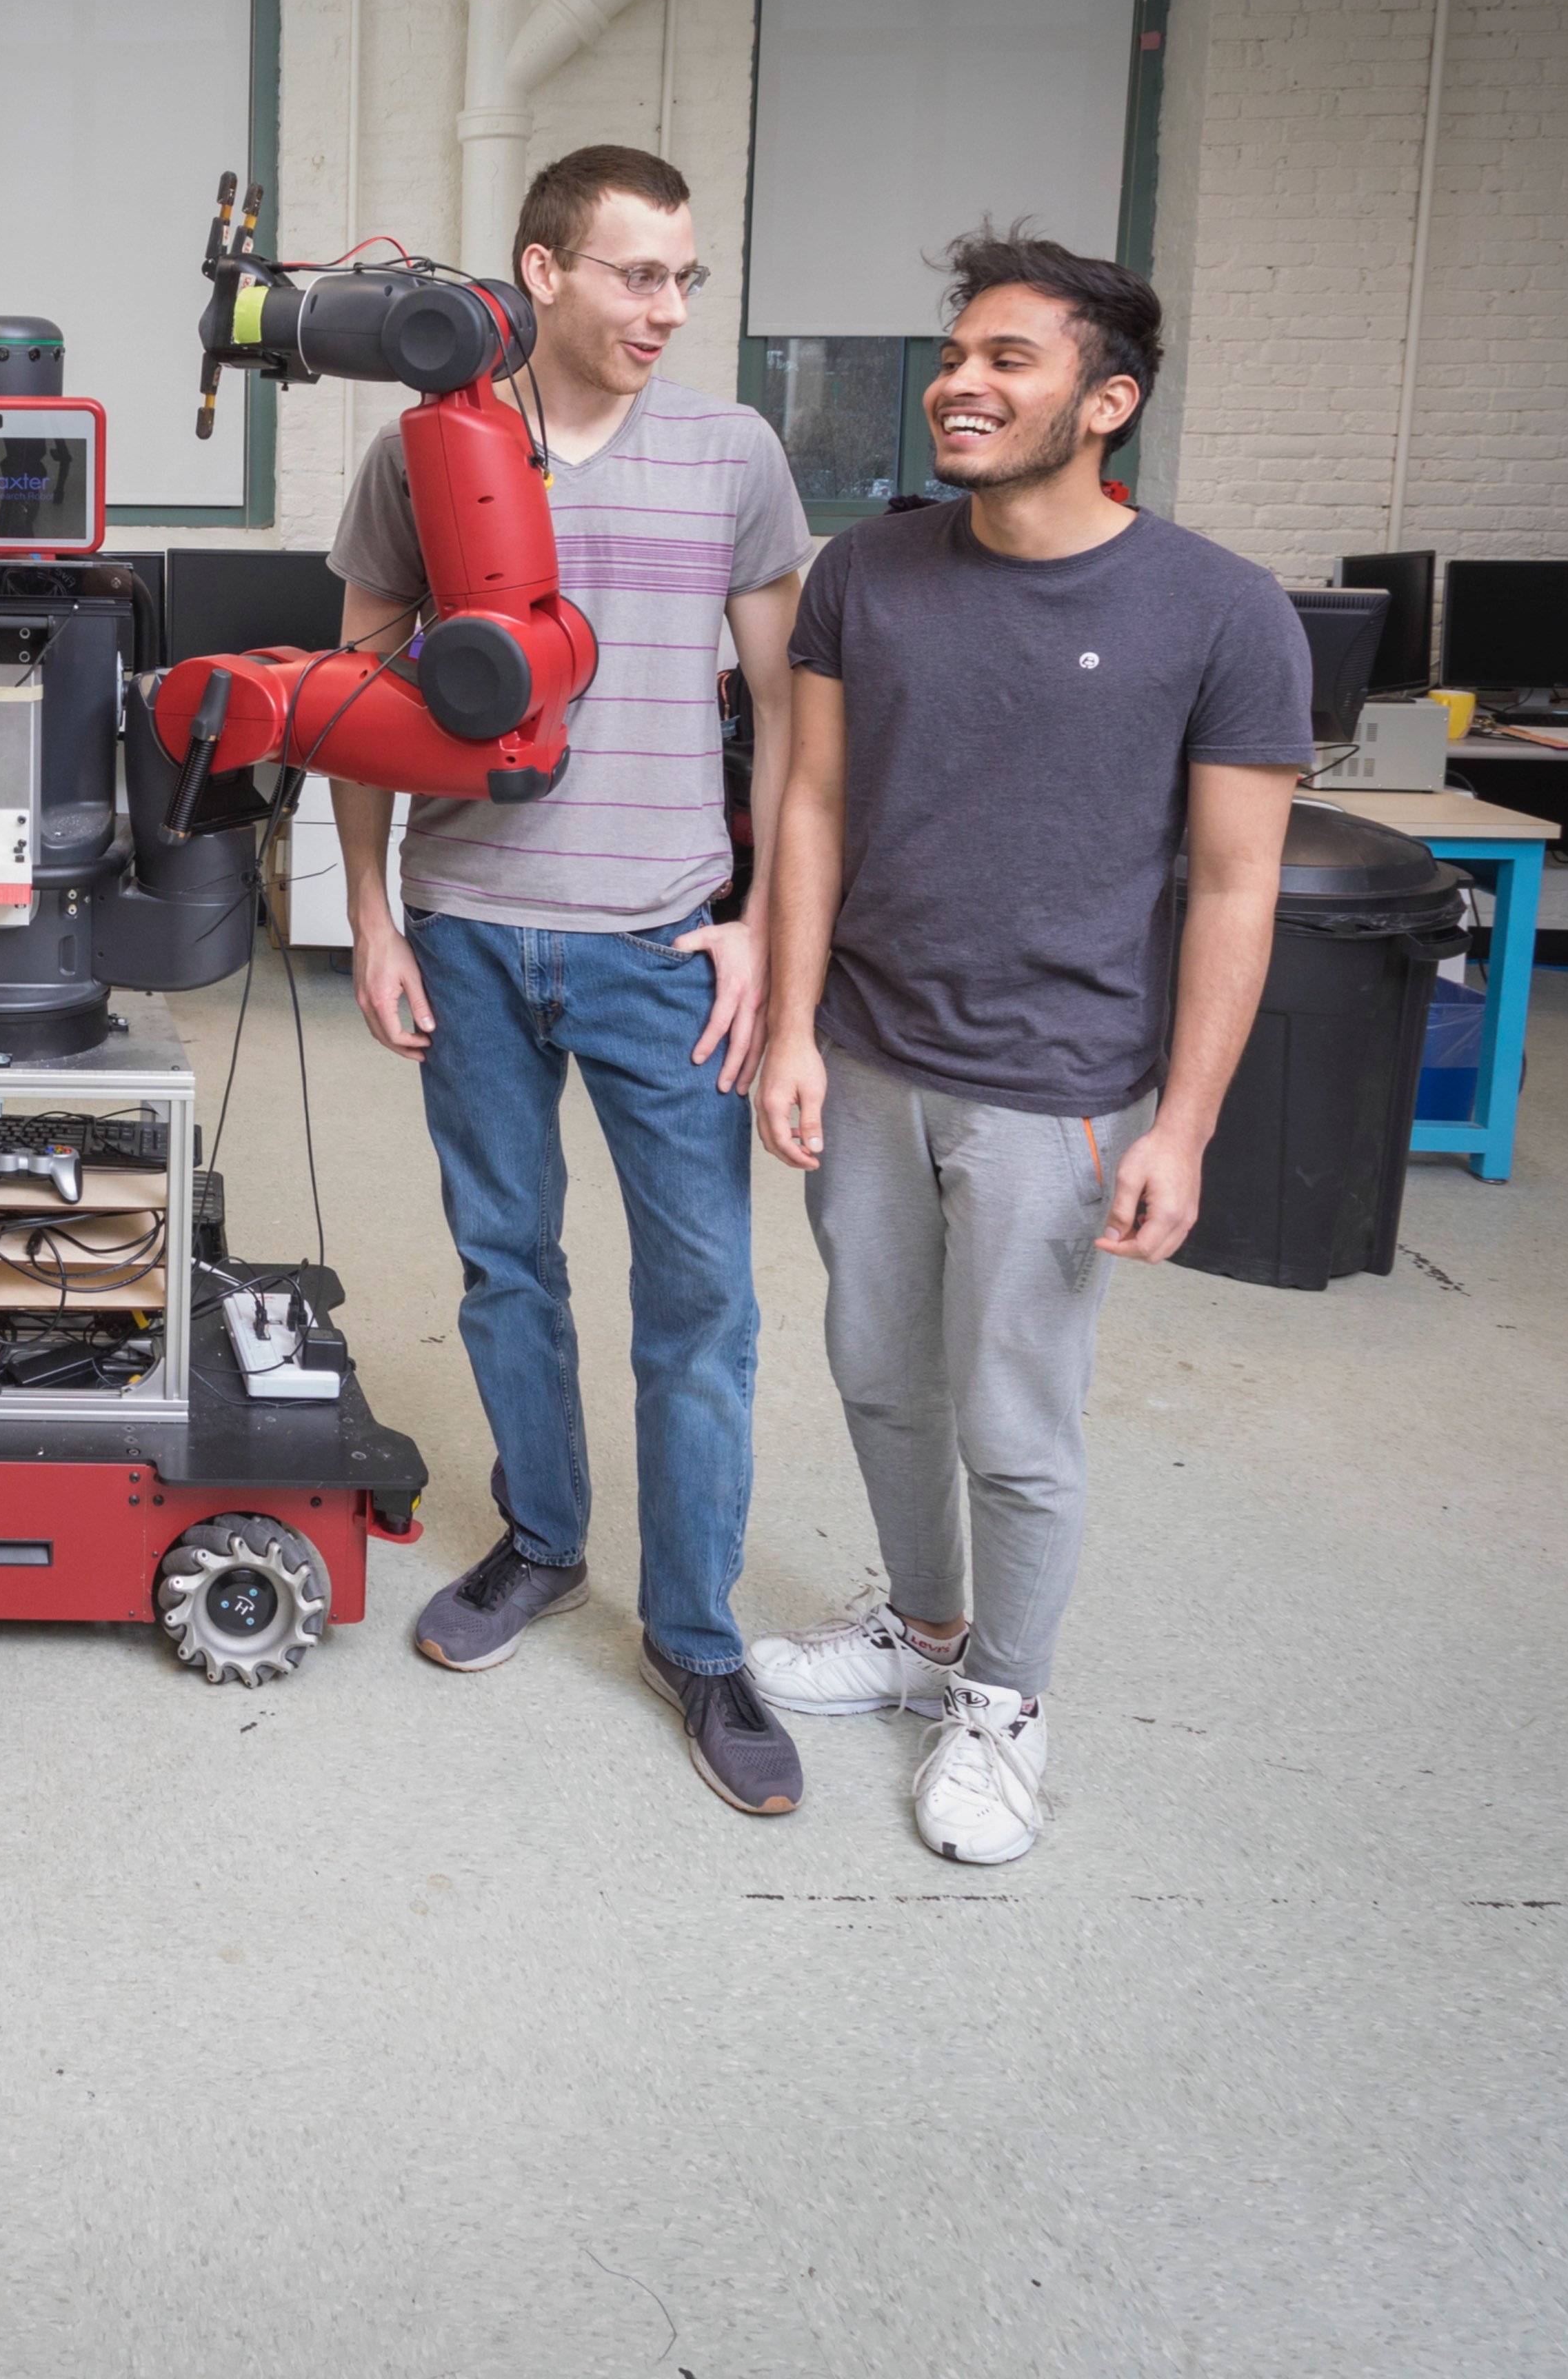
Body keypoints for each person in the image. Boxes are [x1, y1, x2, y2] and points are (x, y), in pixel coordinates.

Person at [747, 228, 1309, 1867]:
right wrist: (789, 1023)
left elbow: (1233, 882)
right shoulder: (870, 569)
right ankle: (922, 1636)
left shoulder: (1219, 611)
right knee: (877, 1372)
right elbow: (815, 802)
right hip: (865, 1054)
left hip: (1057, 1087)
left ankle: (1008, 1699)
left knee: (1015, 1409)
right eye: (957, 354)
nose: (962, 384)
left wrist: (1184, 1123)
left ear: (1108, 399)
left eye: (1012, 360)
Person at [336, 143, 818, 1820]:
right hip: (470, 924)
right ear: (540, 273)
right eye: (636, 274)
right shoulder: (426, 451)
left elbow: (787, 719)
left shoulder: (733, 453)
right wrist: (372, 914)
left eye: (685, 275)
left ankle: (695, 1635)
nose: (668, 307)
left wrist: (762, 919)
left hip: (663, 939)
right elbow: (356, 694)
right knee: (504, 1264)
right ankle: (543, 1541)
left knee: (701, 1310)